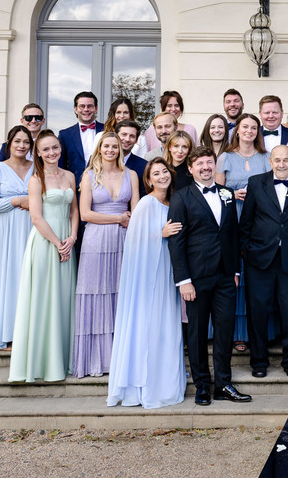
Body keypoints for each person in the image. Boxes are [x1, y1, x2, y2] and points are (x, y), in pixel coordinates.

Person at [166, 147, 250, 406]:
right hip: (196, 278)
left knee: (224, 332)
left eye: (208, 162)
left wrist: (235, 270)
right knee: (198, 333)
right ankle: (202, 385)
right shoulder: (180, 198)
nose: (205, 166)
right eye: (199, 163)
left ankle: (224, 383)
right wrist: (183, 280)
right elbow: (176, 242)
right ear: (190, 169)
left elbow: (233, 234)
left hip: (226, 276)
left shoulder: (226, 194)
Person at [106, 158, 186, 409]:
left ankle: (164, 383)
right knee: (149, 324)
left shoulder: (174, 202)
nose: (162, 176)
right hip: (148, 276)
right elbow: (134, 241)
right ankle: (143, 386)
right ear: (149, 180)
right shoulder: (146, 203)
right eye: (156, 173)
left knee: (166, 325)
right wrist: (159, 234)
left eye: (165, 171)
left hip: (167, 271)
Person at [238, 145, 288, 379]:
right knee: (258, 312)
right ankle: (259, 361)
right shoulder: (256, 182)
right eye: (277, 160)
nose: (281, 164)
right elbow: (246, 222)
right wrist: (247, 251)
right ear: (270, 162)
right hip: (260, 259)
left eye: (286, 160)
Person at [9, 130, 78, 383]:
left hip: (66, 243)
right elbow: (36, 217)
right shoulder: (36, 179)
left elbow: (74, 211)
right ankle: (41, 364)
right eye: (46, 149)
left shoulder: (70, 176)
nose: (52, 153)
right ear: (37, 152)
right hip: (45, 243)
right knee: (43, 300)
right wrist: (58, 243)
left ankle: (63, 360)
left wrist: (72, 238)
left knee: (62, 299)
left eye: (55, 148)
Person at [73, 132, 138, 378]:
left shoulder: (130, 175)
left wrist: (129, 222)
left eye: (115, 146)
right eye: (106, 146)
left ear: (120, 149)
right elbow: (85, 214)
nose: (110, 149)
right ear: (99, 148)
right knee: (96, 294)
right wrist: (117, 218)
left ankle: (121, 358)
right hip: (96, 241)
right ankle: (96, 360)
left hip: (124, 240)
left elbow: (136, 210)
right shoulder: (88, 176)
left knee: (122, 294)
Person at [214, 112, 271, 354]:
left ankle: (259, 332)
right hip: (232, 215)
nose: (249, 131)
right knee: (233, 269)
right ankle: (237, 334)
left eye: (253, 127)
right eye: (244, 127)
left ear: (258, 131)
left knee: (254, 274)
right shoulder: (225, 157)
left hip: (258, 219)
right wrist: (232, 194)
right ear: (237, 130)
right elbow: (215, 190)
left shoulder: (266, 158)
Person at [0, 125, 34, 353]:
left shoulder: (38, 167)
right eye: (18, 141)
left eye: (26, 142)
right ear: (9, 143)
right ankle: (6, 335)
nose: (22, 145)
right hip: (4, 231)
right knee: (8, 279)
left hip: (32, 229)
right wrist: (17, 201)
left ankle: (29, 334)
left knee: (29, 279)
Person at [57, 91, 101, 188]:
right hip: (75, 188)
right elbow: (60, 166)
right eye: (82, 106)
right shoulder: (65, 135)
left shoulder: (108, 131)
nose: (86, 109)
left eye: (90, 106)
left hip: (103, 186)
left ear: (96, 109)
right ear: (75, 109)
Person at [116, 120, 148, 197]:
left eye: (132, 136)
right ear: (116, 136)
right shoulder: (97, 160)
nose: (127, 139)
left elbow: (143, 196)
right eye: (124, 134)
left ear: (136, 140)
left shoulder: (144, 166)